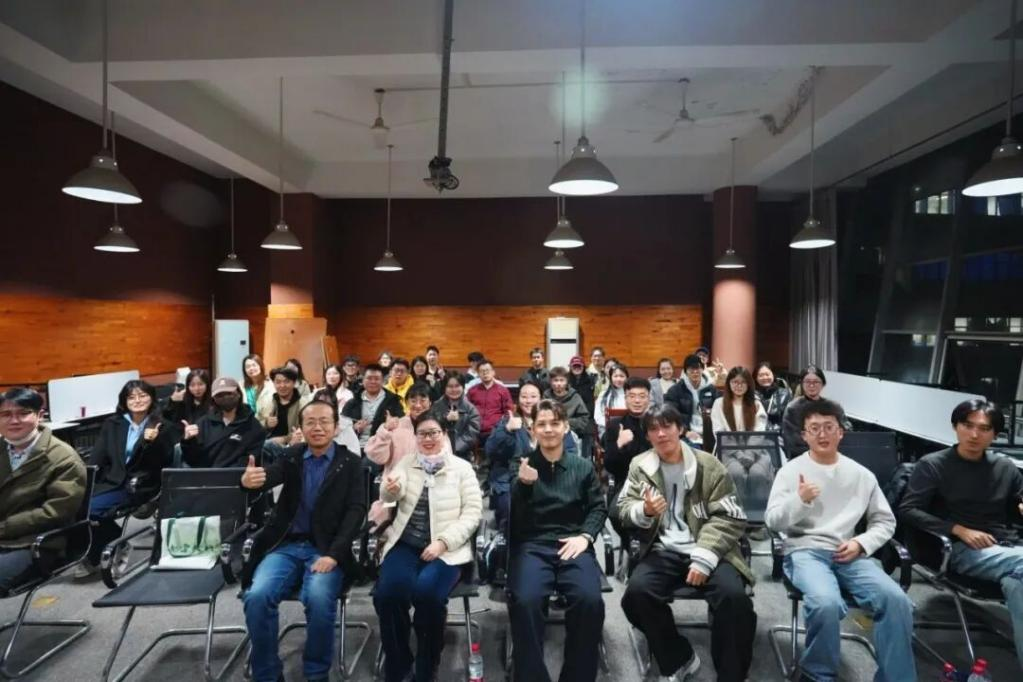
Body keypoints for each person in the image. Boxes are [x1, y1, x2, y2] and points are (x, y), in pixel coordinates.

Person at [765, 398, 915, 682]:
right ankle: (817, 674)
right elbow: (773, 521)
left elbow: (885, 521)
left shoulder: (861, 475)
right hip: (805, 551)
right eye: (814, 428)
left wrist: (862, 543)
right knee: (826, 603)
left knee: (897, 601)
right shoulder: (790, 472)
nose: (822, 434)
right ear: (804, 435)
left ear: (841, 432)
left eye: (829, 427)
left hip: (850, 552)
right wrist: (800, 500)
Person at [619, 404, 755, 682]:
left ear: (680, 429)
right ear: (647, 435)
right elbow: (623, 508)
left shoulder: (708, 465)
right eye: (653, 429)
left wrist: (704, 557)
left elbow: (730, 515)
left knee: (734, 599)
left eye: (667, 426)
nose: (661, 434)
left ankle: (731, 675)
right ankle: (679, 658)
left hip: (709, 548)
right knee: (636, 595)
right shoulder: (640, 466)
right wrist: (644, 511)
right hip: (663, 549)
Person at [240, 401, 366, 682]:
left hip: (326, 549)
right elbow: (268, 476)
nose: (317, 427)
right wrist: (250, 481)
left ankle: (316, 673)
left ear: (336, 427)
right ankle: (267, 674)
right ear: (301, 427)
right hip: (285, 547)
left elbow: (356, 511)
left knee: (319, 598)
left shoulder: (350, 462)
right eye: (310, 422)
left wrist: (334, 554)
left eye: (324, 421)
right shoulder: (292, 455)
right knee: (257, 596)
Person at [898, 399, 1023, 670]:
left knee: (1018, 583)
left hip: (1007, 548)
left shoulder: (1006, 468)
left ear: (995, 434)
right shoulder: (933, 464)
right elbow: (908, 510)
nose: (974, 434)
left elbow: (1016, 505)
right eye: (968, 425)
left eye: (984, 429)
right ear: (956, 426)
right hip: (960, 549)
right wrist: (958, 529)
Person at [374, 413, 483, 682]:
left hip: (447, 549)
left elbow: (473, 513)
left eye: (434, 432)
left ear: (444, 434)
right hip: (406, 544)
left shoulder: (461, 468)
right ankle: (399, 665)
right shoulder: (407, 462)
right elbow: (390, 494)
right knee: (387, 595)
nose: (428, 439)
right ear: (416, 437)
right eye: (422, 433)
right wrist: (390, 489)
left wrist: (443, 542)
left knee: (428, 595)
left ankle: (427, 665)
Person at [508, 400, 607, 682]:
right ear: (532, 429)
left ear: (565, 427)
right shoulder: (521, 464)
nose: (548, 429)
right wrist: (523, 486)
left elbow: (598, 508)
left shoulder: (582, 467)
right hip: (533, 545)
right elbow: (512, 517)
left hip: (573, 543)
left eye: (554, 423)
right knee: (525, 601)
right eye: (541, 424)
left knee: (590, 601)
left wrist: (585, 537)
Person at [78, 380, 175, 577]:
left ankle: (104, 549)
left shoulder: (163, 425)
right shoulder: (113, 424)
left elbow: (162, 462)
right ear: (124, 401)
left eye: (142, 396)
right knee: (75, 506)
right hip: (112, 480)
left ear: (152, 398)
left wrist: (151, 443)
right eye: (131, 397)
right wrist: (87, 480)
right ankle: (108, 545)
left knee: (92, 510)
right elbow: (98, 455)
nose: (137, 400)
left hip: (141, 483)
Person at [0, 388, 87, 593]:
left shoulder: (62, 457)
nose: (14, 420)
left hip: (35, 543)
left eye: (23, 413)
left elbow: (55, 512)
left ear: (39, 415)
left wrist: (3, 528)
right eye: (6, 414)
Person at [485, 382, 577, 535]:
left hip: (549, 478)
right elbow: (491, 451)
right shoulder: (508, 421)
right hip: (510, 480)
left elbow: (570, 452)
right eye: (524, 396)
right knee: (511, 510)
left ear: (541, 398)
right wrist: (507, 431)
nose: (528, 401)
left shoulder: (553, 423)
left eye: (533, 396)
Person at [366, 382, 435, 529]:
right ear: (406, 403)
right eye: (413, 400)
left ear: (430, 403)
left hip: (426, 491)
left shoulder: (437, 428)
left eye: (423, 400)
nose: (418, 405)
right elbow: (377, 457)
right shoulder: (395, 425)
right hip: (393, 489)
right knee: (381, 523)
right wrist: (385, 431)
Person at [181, 377, 265, 468]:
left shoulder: (254, 426)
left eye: (229, 393)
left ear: (238, 394)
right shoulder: (203, 423)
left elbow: (251, 458)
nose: (225, 397)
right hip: (205, 474)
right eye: (220, 395)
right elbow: (192, 460)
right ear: (214, 399)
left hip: (238, 475)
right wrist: (188, 441)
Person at [780, 365, 850, 460]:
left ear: (823, 384)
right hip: (802, 457)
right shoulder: (792, 408)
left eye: (816, 382)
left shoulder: (834, 406)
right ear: (801, 384)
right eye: (807, 382)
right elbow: (791, 439)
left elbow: (846, 430)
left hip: (831, 455)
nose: (811, 385)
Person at [341, 363, 405, 454]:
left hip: (381, 447)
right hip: (355, 447)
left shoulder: (393, 401)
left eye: (377, 379)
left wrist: (391, 425)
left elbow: (402, 425)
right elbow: (341, 427)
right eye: (369, 378)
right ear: (363, 380)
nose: (373, 382)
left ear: (383, 381)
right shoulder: (352, 403)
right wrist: (353, 428)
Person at [601, 377, 652, 485]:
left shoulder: (657, 424)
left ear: (649, 399)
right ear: (625, 399)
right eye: (632, 396)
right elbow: (609, 466)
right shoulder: (615, 425)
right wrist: (619, 444)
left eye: (642, 396)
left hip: (654, 481)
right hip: (625, 482)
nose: (637, 401)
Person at [664, 354, 720, 447]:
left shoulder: (711, 389)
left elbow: (720, 410)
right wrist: (685, 432)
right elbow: (670, 414)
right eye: (691, 369)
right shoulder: (676, 390)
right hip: (687, 434)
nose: (695, 372)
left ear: (702, 369)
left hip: (709, 432)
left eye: (697, 368)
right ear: (685, 371)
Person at [257, 367, 313, 457]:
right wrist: (266, 423)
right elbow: (256, 424)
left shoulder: (304, 404)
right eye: (278, 382)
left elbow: (307, 429)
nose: (282, 385)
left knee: (266, 445)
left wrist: (286, 439)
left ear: (294, 383)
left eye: (286, 381)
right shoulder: (267, 402)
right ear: (273, 383)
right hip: (266, 445)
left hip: (292, 446)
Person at [430, 374, 481, 461]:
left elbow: (471, 435)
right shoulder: (436, 406)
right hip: (437, 451)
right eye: (450, 386)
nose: (454, 390)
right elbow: (430, 427)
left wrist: (452, 448)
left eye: (457, 386)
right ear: (444, 388)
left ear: (463, 387)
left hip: (462, 454)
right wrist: (445, 420)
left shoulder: (471, 409)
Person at [467, 359, 513, 448]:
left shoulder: (502, 390)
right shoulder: (472, 391)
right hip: (475, 431)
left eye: (487, 370)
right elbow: (467, 410)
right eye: (482, 371)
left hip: (495, 431)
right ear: (478, 374)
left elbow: (508, 411)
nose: (485, 373)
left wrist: (501, 427)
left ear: (493, 372)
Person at [710, 366, 767, 438]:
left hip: (752, 445)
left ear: (748, 384)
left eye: (743, 382)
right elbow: (718, 431)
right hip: (725, 444)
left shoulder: (756, 404)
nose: (739, 386)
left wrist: (749, 445)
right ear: (729, 383)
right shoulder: (719, 403)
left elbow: (759, 432)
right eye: (735, 382)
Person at [544, 366, 591, 446]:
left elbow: (584, 419)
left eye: (562, 380)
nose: (559, 384)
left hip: (571, 433)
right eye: (555, 380)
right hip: (549, 433)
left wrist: (565, 423)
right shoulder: (546, 396)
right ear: (551, 382)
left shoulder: (575, 397)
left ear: (567, 382)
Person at [753, 362, 791, 432]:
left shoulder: (784, 394)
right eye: (761, 375)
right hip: (756, 434)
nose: (765, 377)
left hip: (777, 434)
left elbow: (789, 419)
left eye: (767, 374)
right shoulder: (751, 395)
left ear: (773, 375)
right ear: (755, 378)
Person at [594, 363, 629, 438]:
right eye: (615, 376)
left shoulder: (631, 394)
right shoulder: (604, 394)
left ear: (626, 377)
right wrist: (612, 425)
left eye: (622, 376)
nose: (618, 379)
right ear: (611, 378)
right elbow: (598, 416)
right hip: (607, 430)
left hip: (628, 429)